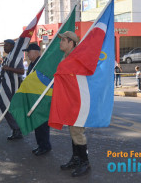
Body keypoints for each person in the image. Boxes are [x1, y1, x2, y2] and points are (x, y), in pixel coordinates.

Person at [57, 31, 90, 177]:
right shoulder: (66, 57)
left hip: (79, 99)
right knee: (72, 130)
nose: (60, 42)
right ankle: (76, 159)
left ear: (71, 42)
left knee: (77, 131)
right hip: (70, 99)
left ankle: (85, 162)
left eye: (63, 40)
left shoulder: (77, 57)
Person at [22, 43, 52, 156]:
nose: (27, 54)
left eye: (29, 52)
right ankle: (41, 145)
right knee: (37, 124)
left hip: (42, 99)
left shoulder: (42, 63)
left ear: (35, 52)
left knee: (42, 124)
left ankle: (45, 146)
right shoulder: (32, 64)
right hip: (34, 97)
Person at [0, 39, 24, 140]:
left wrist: (7, 68)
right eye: (4, 45)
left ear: (12, 46)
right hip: (7, 86)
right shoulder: (8, 57)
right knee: (6, 108)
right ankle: (16, 129)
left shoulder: (16, 58)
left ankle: (17, 129)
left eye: (6, 45)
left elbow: (21, 71)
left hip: (14, 86)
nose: (4, 47)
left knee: (8, 108)